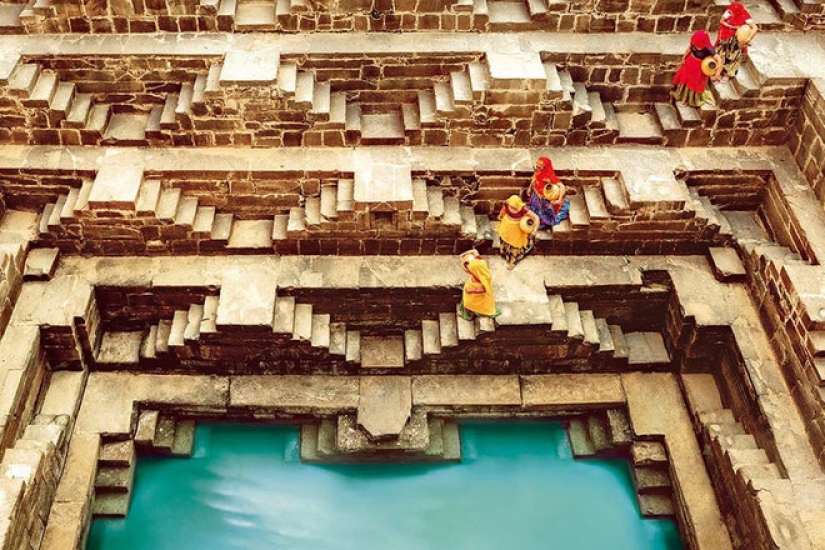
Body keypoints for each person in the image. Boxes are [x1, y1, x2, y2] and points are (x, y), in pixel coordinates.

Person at [671, 30, 723, 108]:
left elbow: (719, 59)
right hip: (690, 62)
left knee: (693, 82)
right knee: (685, 79)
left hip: (699, 67)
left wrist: (717, 73)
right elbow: (689, 49)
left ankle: (688, 100)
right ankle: (681, 95)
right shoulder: (694, 42)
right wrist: (684, 58)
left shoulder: (708, 48)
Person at [715, 2, 758, 81]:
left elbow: (755, 28)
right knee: (721, 54)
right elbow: (722, 21)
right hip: (726, 39)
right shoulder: (729, 12)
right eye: (730, 11)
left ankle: (728, 74)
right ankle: (719, 69)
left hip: (737, 41)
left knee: (734, 58)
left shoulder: (744, 16)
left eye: (731, 12)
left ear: (737, 12)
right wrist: (732, 27)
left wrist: (749, 38)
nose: (730, 13)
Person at [497, 195, 539, 270]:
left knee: (516, 246)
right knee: (505, 240)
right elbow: (504, 209)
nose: (513, 208)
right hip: (507, 225)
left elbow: (536, 217)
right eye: (511, 207)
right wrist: (501, 215)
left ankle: (513, 262)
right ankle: (506, 254)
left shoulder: (523, 208)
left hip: (517, 228)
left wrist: (535, 230)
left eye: (515, 207)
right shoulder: (507, 203)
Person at [526, 156, 570, 229]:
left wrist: (559, 200)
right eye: (537, 166)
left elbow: (562, 186)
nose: (537, 168)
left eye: (540, 167)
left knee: (543, 217)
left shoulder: (549, 176)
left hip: (544, 201)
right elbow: (534, 177)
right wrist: (530, 188)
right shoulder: (538, 171)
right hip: (536, 196)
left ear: (545, 168)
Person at [458, 250, 500, 321]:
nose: (468, 268)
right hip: (471, 286)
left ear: (476, 271)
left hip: (478, 294)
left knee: (468, 303)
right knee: (465, 298)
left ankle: (470, 315)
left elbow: (484, 289)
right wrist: (462, 255)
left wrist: (472, 290)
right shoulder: (479, 263)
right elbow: (474, 251)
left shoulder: (484, 279)